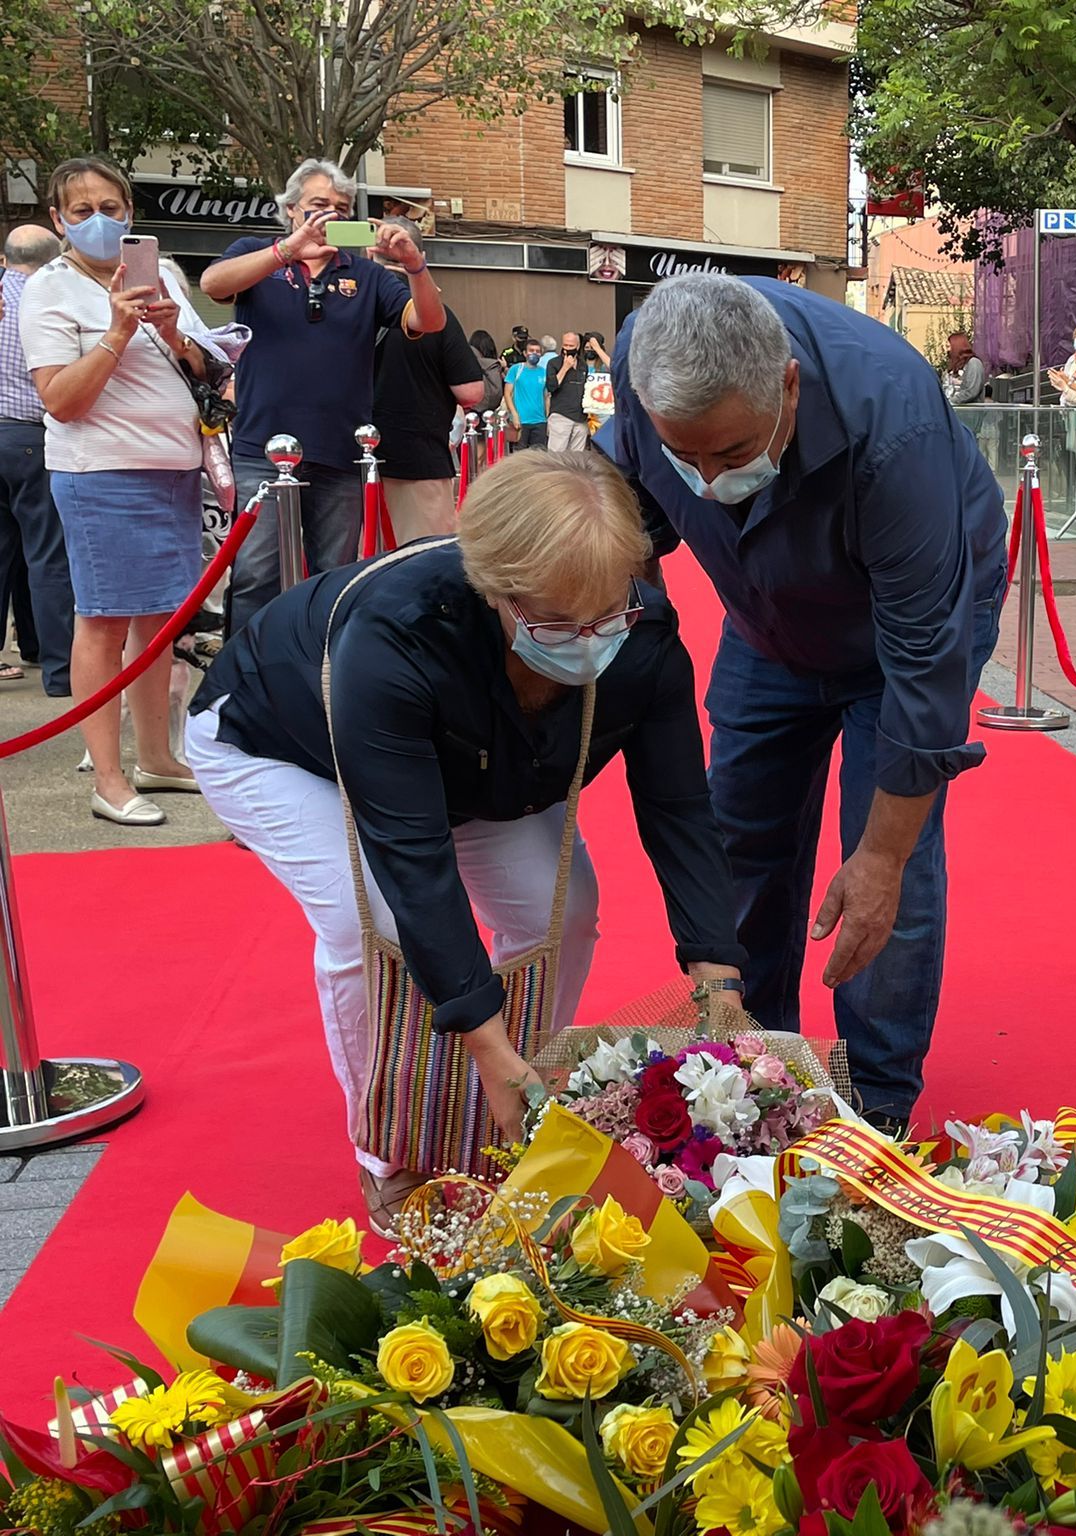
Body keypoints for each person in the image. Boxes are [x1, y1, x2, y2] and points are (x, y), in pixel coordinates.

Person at [186, 451, 744, 1230]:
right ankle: (391, 1148)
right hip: (281, 747)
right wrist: (479, 1038)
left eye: (605, 616)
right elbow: (415, 861)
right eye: (555, 623)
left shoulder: (642, 638)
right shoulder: (398, 636)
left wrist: (716, 976)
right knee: (369, 924)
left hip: (478, 767)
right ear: (496, 592)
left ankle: (530, 1090)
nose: (586, 643)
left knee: (568, 904)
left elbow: (679, 806)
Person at [596, 273, 1009, 1135]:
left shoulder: (893, 428)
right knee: (740, 835)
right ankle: (751, 1062)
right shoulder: (648, 360)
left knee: (883, 866)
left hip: (903, 628)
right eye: (687, 455)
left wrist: (882, 858)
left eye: (733, 452)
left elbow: (924, 676)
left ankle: (876, 1102)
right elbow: (618, 506)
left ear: (787, 386)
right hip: (765, 616)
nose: (707, 482)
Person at [20, 157, 218, 827]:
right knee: (102, 622)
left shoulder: (157, 272)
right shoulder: (48, 289)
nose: (101, 220)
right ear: (58, 220)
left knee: (161, 621)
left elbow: (206, 360)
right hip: (100, 473)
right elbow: (61, 401)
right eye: (83, 211)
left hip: (173, 468)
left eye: (112, 206)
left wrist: (171, 332)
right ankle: (108, 778)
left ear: (131, 211)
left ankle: (157, 757)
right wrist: (116, 332)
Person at [201, 158, 446, 633]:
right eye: (319, 205)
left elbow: (428, 322)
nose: (331, 216)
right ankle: (245, 680)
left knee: (332, 575)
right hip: (261, 449)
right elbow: (213, 284)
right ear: (291, 210)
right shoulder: (257, 253)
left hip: (341, 452)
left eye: (342, 207)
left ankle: (316, 673)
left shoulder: (369, 274)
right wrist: (285, 252)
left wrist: (414, 265)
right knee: (254, 574)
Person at [368, 218, 485, 541]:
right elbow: (471, 391)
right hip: (419, 460)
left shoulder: (349, 310)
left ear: (369, 255)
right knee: (420, 568)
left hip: (345, 467)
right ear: (419, 256)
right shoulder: (437, 316)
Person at [0, 223, 72, 695]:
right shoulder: (51, 299)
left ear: (6, 259)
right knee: (47, 555)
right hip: (33, 435)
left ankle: (23, 647)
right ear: (53, 259)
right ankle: (61, 670)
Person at [507, 335, 551, 449]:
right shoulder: (516, 370)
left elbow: (546, 396)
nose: (534, 353)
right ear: (525, 353)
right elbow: (507, 394)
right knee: (519, 457)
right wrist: (514, 415)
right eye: (531, 351)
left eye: (537, 351)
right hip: (521, 421)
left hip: (540, 421)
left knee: (538, 457)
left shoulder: (544, 372)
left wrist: (547, 418)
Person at [941, 330, 986, 406]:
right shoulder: (954, 367)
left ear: (957, 347)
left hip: (969, 413)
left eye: (948, 347)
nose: (947, 350)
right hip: (954, 412)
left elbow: (971, 391)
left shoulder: (973, 363)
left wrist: (949, 402)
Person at [470, 329, 506, 417]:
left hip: (473, 406)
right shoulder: (495, 364)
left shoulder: (468, 359)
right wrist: (503, 368)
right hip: (493, 409)